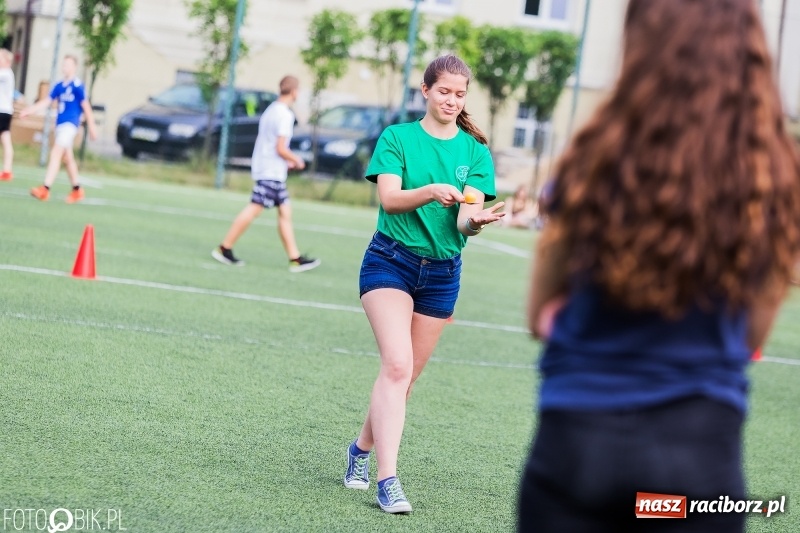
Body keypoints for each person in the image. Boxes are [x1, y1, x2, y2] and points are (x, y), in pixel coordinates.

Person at [517, 0, 800, 531]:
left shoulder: (593, 156)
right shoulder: (775, 178)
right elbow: (750, 335)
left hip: (577, 446)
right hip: (697, 468)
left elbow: (538, 316)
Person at [343, 55, 505, 514]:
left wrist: (477, 223)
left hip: (442, 274)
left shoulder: (474, 153)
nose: (452, 100)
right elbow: (391, 200)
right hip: (389, 263)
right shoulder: (397, 138)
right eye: (444, 91)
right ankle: (388, 481)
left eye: (460, 94)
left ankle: (359, 450)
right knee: (396, 366)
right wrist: (432, 189)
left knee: (405, 379)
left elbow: (464, 221)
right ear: (426, 90)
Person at [212, 75, 320, 272]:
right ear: (295, 91)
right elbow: (280, 147)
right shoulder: (285, 115)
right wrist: (296, 160)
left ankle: (295, 258)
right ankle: (224, 248)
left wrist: (285, 163)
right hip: (271, 171)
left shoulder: (271, 110)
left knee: (285, 211)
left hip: (271, 169)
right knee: (255, 208)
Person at [22, 55, 97, 203]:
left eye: (68, 65)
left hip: (70, 125)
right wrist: (30, 110)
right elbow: (47, 102)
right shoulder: (59, 86)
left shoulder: (77, 85)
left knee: (56, 153)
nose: (65, 68)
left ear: (75, 67)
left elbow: (86, 107)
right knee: (68, 159)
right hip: (60, 125)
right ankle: (77, 189)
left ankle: (45, 188)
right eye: (64, 65)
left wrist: (92, 126)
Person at [0, 49, 15, 182]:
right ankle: (7, 170)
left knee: (5, 140)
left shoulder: (6, 73)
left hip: (2, 111)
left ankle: (7, 170)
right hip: (5, 111)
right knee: (5, 139)